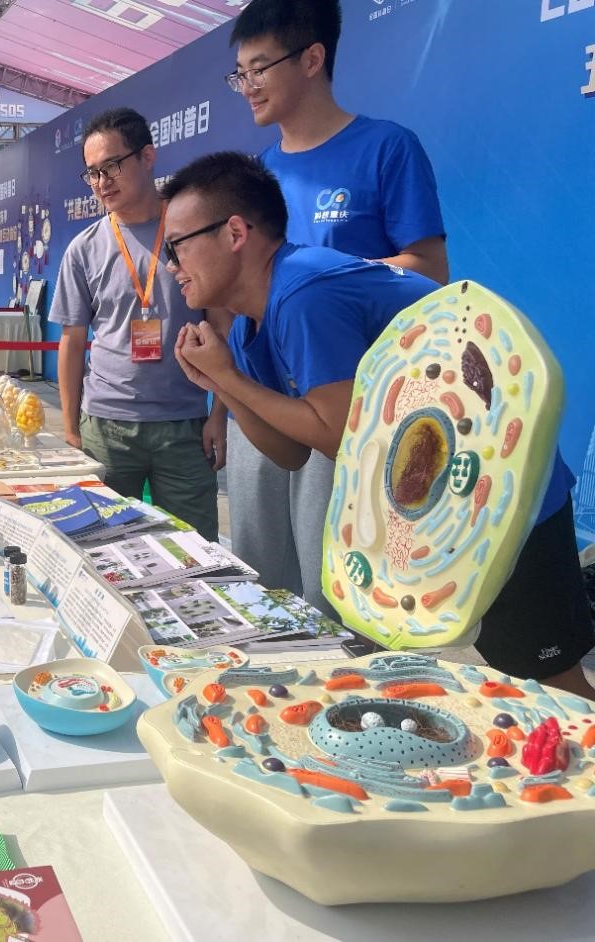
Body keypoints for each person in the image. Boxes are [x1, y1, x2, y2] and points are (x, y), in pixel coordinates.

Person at [164, 152, 594, 698]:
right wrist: (222, 381)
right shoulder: (252, 321)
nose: (171, 265)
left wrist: (229, 378)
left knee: (555, 687)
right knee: (514, 680)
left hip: (503, 490)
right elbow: (292, 453)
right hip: (445, 499)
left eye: (178, 245)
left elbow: (341, 434)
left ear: (234, 232)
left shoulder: (303, 292)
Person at [220, 0, 449, 613]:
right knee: (259, 585)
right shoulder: (254, 177)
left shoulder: (386, 148)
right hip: (261, 399)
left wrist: (328, 282)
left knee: (335, 594)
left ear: (312, 58)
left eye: (260, 68)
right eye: (240, 73)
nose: (248, 86)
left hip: (346, 407)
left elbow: (429, 273)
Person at [49, 107, 223, 541]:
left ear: (147, 157)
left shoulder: (191, 233)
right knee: (101, 548)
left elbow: (222, 325)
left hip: (184, 426)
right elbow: (72, 341)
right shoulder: (84, 248)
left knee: (196, 548)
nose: (102, 182)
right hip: (105, 427)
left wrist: (219, 414)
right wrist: (70, 429)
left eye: (112, 166)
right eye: (92, 173)